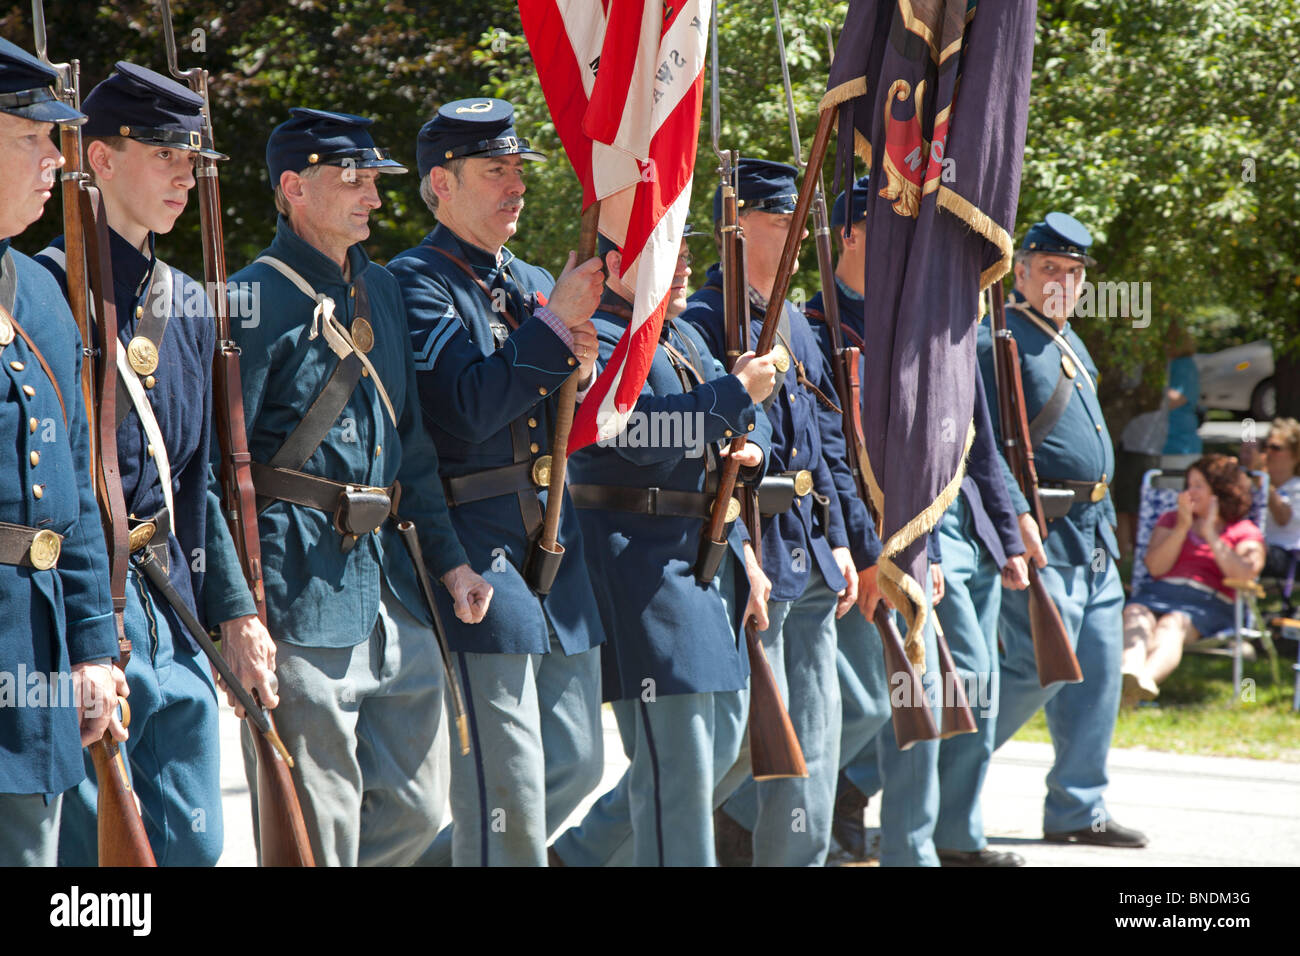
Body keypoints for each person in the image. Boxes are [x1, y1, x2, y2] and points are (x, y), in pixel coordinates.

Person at [224, 107, 492, 866]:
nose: (373, 197)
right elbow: (220, 470)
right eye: (354, 180)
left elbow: (409, 446)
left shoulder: (382, 292)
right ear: (293, 188)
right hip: (297, 584)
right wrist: (239, 606)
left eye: (374, 180)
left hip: (394, 587)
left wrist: (449, 561)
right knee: (318, 822)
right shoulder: (250, 299)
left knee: (416, 809)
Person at [36, 62, 269, 867]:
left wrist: (235, 610)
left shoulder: (191, 302)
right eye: (165, 151)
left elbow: (199, 477)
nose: (185, 173)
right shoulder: (44, 289)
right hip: (89, 607)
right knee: (98, 868)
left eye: (191, 157)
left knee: (195, 846)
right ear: (101, 158)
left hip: (176, 602)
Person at [388, 98, 607, 867]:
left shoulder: (534, 278)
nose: (516, 186)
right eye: (495, 172)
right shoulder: (412, 283)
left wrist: (585, 350)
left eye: (519, 170)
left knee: (577, 759)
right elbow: (465, 410)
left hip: (554, 541)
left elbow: (579, 404)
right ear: (441, 186)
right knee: (507, 786)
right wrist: (553, 333)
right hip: (479, 545)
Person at [548, 228, 776, 866]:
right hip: (638, 564)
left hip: (702, 558)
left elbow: (736, 435)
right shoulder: (604, 336)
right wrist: (735, 393)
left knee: (722, 749)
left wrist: (751, 456)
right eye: (665, 255)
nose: (683, 267)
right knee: (677, 764)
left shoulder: (684, 336)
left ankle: (579, 857)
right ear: (618, 263)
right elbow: (639, 433)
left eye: (683, 254)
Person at [684, 159, 864, 866]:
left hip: (811, 547)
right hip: (755, 547)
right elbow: (697, 446)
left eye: (799, 220)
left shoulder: (793, 317)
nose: (795, 234)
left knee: (814, 740)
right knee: (751, 741)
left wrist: (845, 539)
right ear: (738, 225)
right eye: (780, 220)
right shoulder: (706, 317)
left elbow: (828, 441)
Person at [980, 212, 1149, 849]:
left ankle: (1080, 808)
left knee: (1099, 674)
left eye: (1074, 272)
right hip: (1043, 530)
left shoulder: (1068, 340)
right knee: (1034, 670)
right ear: (1020, 271)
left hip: (1095, 531)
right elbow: (987, 447)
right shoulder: (997, 341)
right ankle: (941, 768)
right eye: (1050, 268)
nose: (1063, 280)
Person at [0, 36, 126, 867]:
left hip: (33, 651)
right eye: (30, 139)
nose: (57, 159)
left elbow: (74, 492)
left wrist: (91, 645)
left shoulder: (38, 288)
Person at [1122, 455, 1266, 700]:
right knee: (1136, 613)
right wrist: (1181, 527)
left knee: (1172, 623)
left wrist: (1211, 532)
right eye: (1189, 485)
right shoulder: (1171, 520)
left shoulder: (1243, 531)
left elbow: (1244, 574)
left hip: (1208, 604)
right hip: (1160, 593)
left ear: (1220, 491)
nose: (1190, 492)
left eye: (1198, 485)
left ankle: (1143, 682)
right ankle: (1128, 675)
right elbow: (1156, 568)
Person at [1251, 418, 1300, 612]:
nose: (1268, 453)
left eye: (1276, 447)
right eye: (1265, 446)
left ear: (1295, 455)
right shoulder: (1255, 482)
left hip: (1289, 556)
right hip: (1259, 549)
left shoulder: (1296, 487)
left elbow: (1282, 517)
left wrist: (1263, 482)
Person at [1162, 322, 1202, 457]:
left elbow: (1177, 398)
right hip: (1167, 441)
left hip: (1180, 443)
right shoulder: (1171, 363)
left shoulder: (1184, 364)